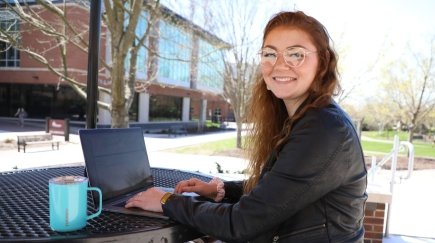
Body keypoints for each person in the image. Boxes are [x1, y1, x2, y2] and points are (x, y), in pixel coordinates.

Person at [126, 11, 367, 242]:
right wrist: (220, 191)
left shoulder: (323, 130)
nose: (280, 64)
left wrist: (167, 201)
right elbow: (277, 191)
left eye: (296, 54)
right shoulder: (303, 119)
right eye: (270, 54)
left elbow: (242, 223)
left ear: (322, 62)